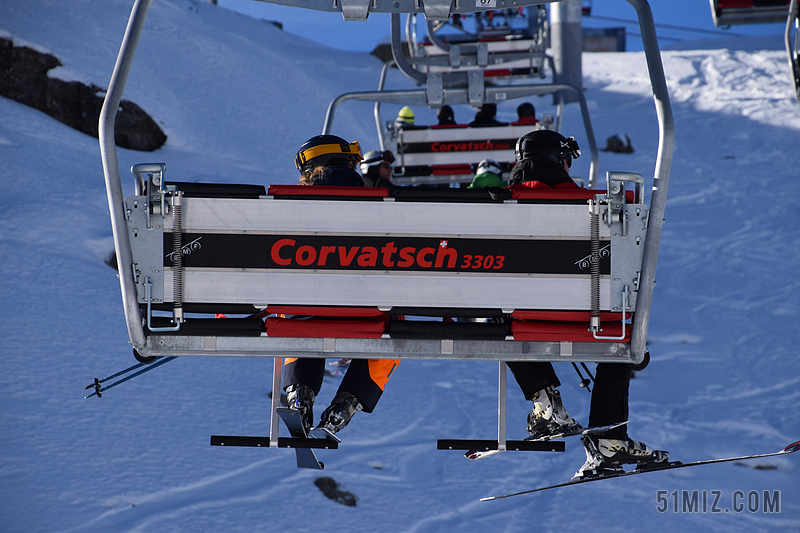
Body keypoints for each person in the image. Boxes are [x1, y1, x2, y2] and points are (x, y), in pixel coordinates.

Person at [507, 129, 668, 478]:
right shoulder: (590, 205)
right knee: (619, 340)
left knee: (495, 316)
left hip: (517, 317)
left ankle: (544, 396)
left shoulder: (500, 204)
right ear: (560, 162)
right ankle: (608, 436)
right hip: (588, 317)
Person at [285, 134, 400, 435]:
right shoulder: (383, 206)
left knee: (294, 320)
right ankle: (349, 401)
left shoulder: (284, 207)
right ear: (347, 164)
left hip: (302, 309)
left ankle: (300, 391)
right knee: (396, 329)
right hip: (364, 311)